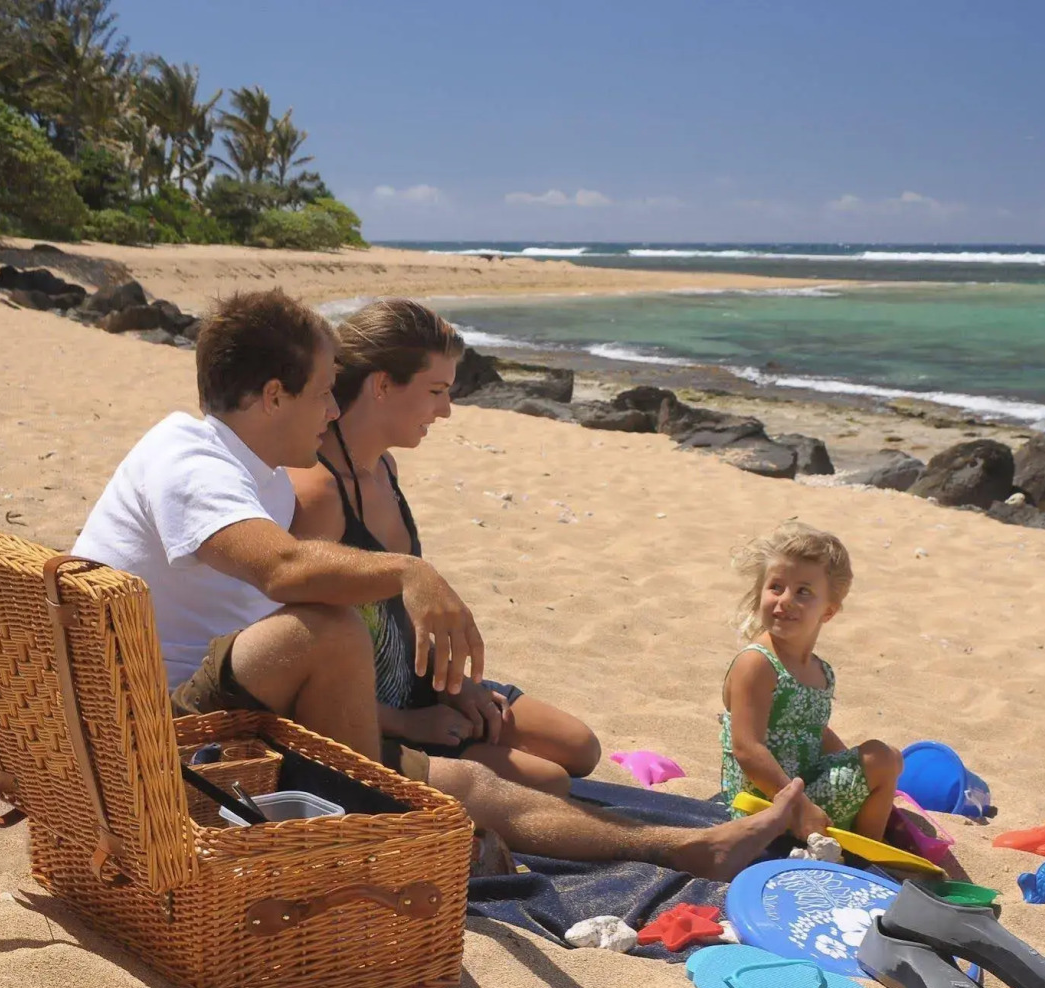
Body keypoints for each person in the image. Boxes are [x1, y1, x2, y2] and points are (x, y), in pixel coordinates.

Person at [71, 287, 799, 879]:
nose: (333, 409)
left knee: (474, 784)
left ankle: (678, 849)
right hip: (164, 729)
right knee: (326, 630)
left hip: (231, 704)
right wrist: (408, 571)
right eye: (324, 393)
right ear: (272, 396)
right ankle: (378, 828)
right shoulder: (191, 460)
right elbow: (283, 570)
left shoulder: (258, 474)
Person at [288, 299, 599, 794]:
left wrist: (457, 686)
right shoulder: (319, 492)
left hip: (418, 683)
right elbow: (301, 661)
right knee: (551, 783)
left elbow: (394, 614)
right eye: (435, 391)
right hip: (364, 714)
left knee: (580, 748)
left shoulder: (384, 467)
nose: (446, 409)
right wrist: (408, 725)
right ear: (382, 385)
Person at [719, 522, 903, 842]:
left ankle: (868, 844)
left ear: (828, 612)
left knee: (887, 758)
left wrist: (860, 772)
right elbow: (747, 748)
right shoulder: (758, 663)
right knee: (882, 759)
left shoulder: (821, 671)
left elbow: (815, 730)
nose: (785, 600)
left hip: (802, 788)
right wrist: (801, 806)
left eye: (803, 591)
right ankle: (866, 855)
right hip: (765, 804)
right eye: (776, 587)